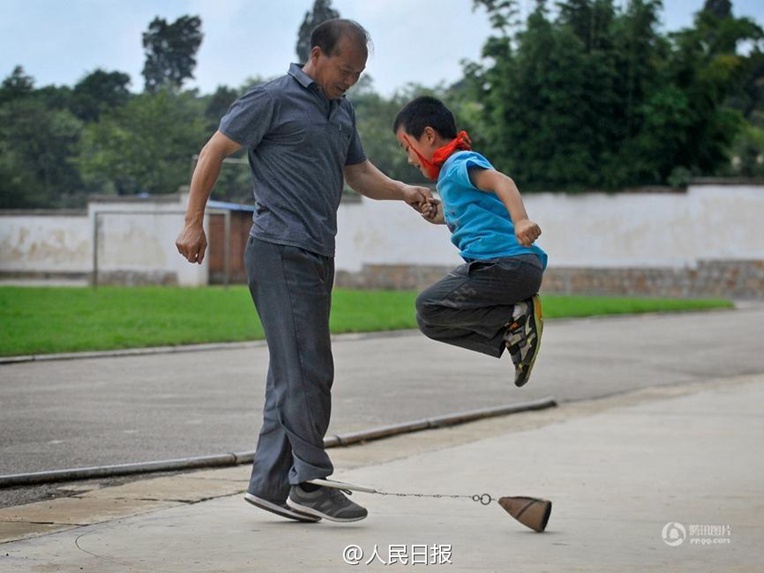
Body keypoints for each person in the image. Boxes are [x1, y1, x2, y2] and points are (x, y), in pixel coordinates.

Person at [175, 19, 432, 524]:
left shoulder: (342, 111)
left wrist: (403, 190)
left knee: (289, 370)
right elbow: (214, 150)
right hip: (279, 249)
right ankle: (309, 482)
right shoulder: (271, 98)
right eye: (345, 69)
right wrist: (193, 223)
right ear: (317, 55)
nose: (351, 79)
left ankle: (271, 486)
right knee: (310, 368)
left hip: (318, 251)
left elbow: (356, 172)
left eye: (358, 73)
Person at [393, 95, 547, 388]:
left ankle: (516, 317)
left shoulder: (459, 162)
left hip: (507, 265)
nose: (409, 159)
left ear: (428, 135)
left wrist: (521, 220)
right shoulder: (450, 177)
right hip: (499, 268)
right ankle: (514, 332)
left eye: (406, 147)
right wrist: (440, 214)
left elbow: (503, 182)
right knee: (429, 321)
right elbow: (469, 213)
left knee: (428, 305)